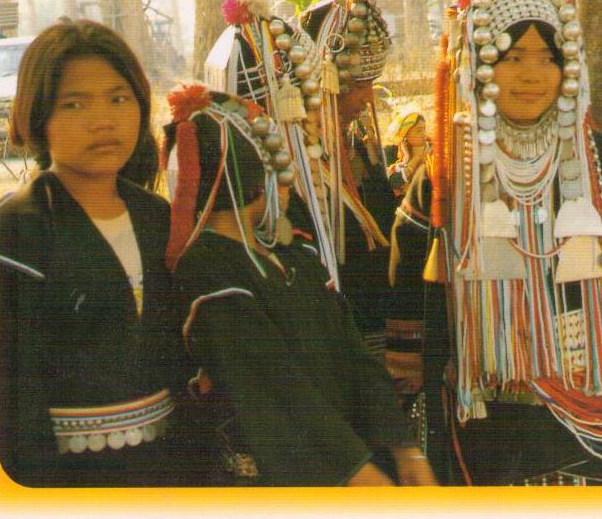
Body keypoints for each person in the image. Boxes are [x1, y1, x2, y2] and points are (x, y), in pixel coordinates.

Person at [392, 0, 602, 486]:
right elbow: (408, 297)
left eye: (547, 58)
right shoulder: (448, 168)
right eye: (513, 58)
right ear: (483, 65)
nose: (532, 74)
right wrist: (410, 420)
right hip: (483, 423)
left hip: (594, 411)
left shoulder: (596, 161)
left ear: (566, 68)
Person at [164, 85, 437, 486]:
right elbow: (276, 387)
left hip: (344, 466)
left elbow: (353, 355)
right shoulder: (208, 271)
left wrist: (403, 446)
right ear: (257, 182)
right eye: (283, 168)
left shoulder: (293, 256)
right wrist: (361, 475)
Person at [0, 19, 210, 486]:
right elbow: (8, 401)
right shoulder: (14, 230)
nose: (104, 121)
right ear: (38, 117)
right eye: (74, 104)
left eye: (119, 98)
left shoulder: (159, 218)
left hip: (171, 473)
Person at [296, 0, 399, 356]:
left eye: (372, 83)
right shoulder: (298, 164)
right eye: (358, 84)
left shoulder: (363, 148)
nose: (368, 97)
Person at [384, 107, 430, 198]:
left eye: (424, 129)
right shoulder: (394, 153)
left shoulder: (432, 151)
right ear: (405, 135)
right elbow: (393, 183)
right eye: (419, 130)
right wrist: (415, 159)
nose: (424, 134)